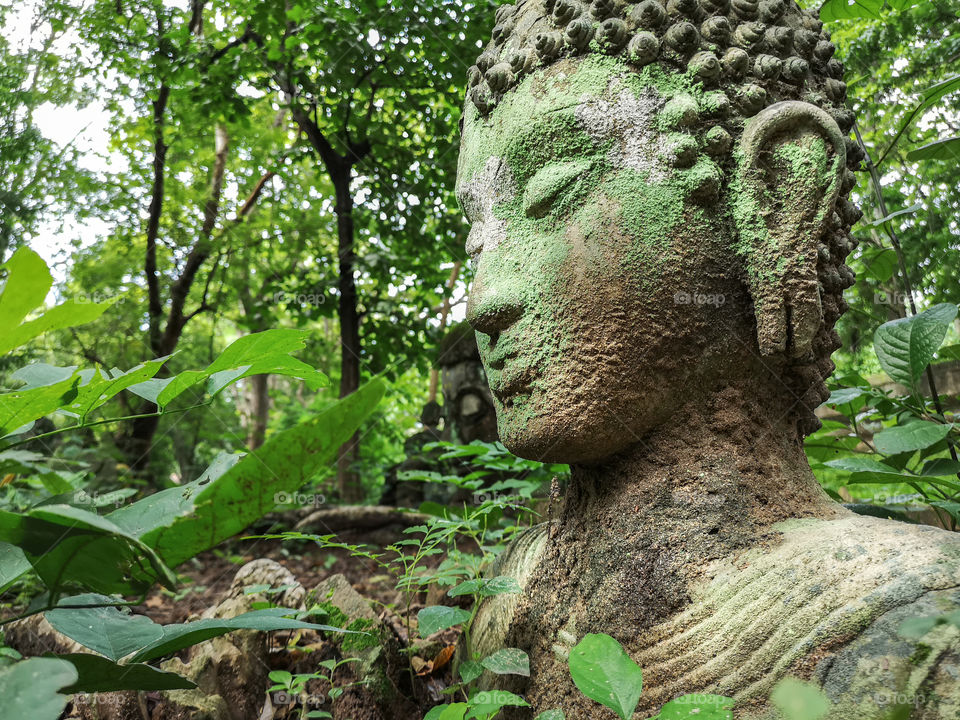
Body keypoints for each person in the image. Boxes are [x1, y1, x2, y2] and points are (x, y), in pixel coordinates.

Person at [456, 1, 960, 717]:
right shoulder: (504, 603)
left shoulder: (920, 632)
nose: (483, 298)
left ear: (779, 195)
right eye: (478, 236)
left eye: (549, 190)